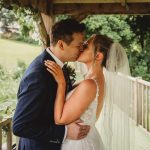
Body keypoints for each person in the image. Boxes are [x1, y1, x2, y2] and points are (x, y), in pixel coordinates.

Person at [12, 19, 90, 150]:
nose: (81, 49)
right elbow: (20, 126)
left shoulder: (59, 65)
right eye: (78, 46)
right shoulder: (38, 75)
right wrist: (65, 132)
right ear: (61, 45)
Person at [44, 34, 114, 150]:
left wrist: (62, 84)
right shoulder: (95, 79)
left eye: (86, 46)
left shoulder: (90, 84)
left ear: (98, 56)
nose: (81, 48)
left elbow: (60, 119)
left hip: (78, 143)